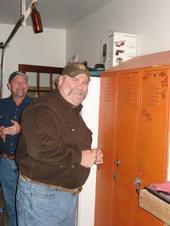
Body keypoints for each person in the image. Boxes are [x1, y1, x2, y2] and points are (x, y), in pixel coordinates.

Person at [16, 62, 103, 226]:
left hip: (65, 197)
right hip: (42, 198)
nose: (81, 86)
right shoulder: (42, 107)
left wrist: (92, 154)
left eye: (85, 83)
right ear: (60, 80)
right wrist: (79, 157)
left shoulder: (72, 109)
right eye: (76, 80)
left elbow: (70, 143)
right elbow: (40, 147)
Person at [0, 71, 32, 226]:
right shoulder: (1, 104)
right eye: (16, 82)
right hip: (5, 162)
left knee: (28, 200)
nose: (21, 85)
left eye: (24, 82)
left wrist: (22, 129)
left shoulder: (37, 105)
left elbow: (43, 130)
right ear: (9, 85)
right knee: (10, 201)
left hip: (28, 162)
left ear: (28, 86)